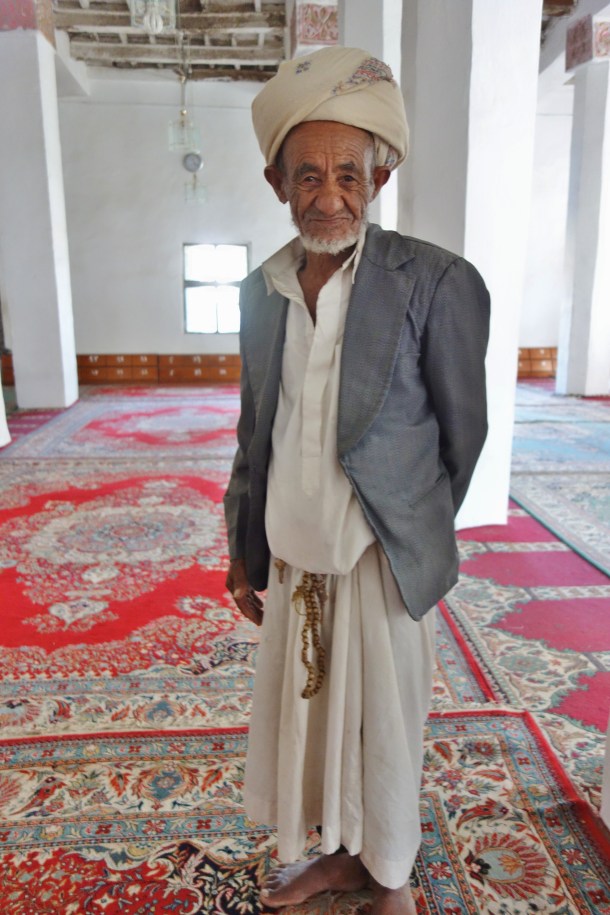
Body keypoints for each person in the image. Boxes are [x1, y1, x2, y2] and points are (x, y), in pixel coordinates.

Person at [224, 45, 490, 915]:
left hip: (378, 560)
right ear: (277, 183)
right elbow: (254, 430)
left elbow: (464, 432)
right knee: (311, 734)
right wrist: (243, 549)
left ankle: (391, 876)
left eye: (348, 172)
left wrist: (412, 529)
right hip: (296, 558)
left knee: (383, 730)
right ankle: (339, 856)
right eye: (308, 175)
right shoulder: (260, 290)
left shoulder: (437, 281)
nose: (329, 194)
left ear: (377, 177)